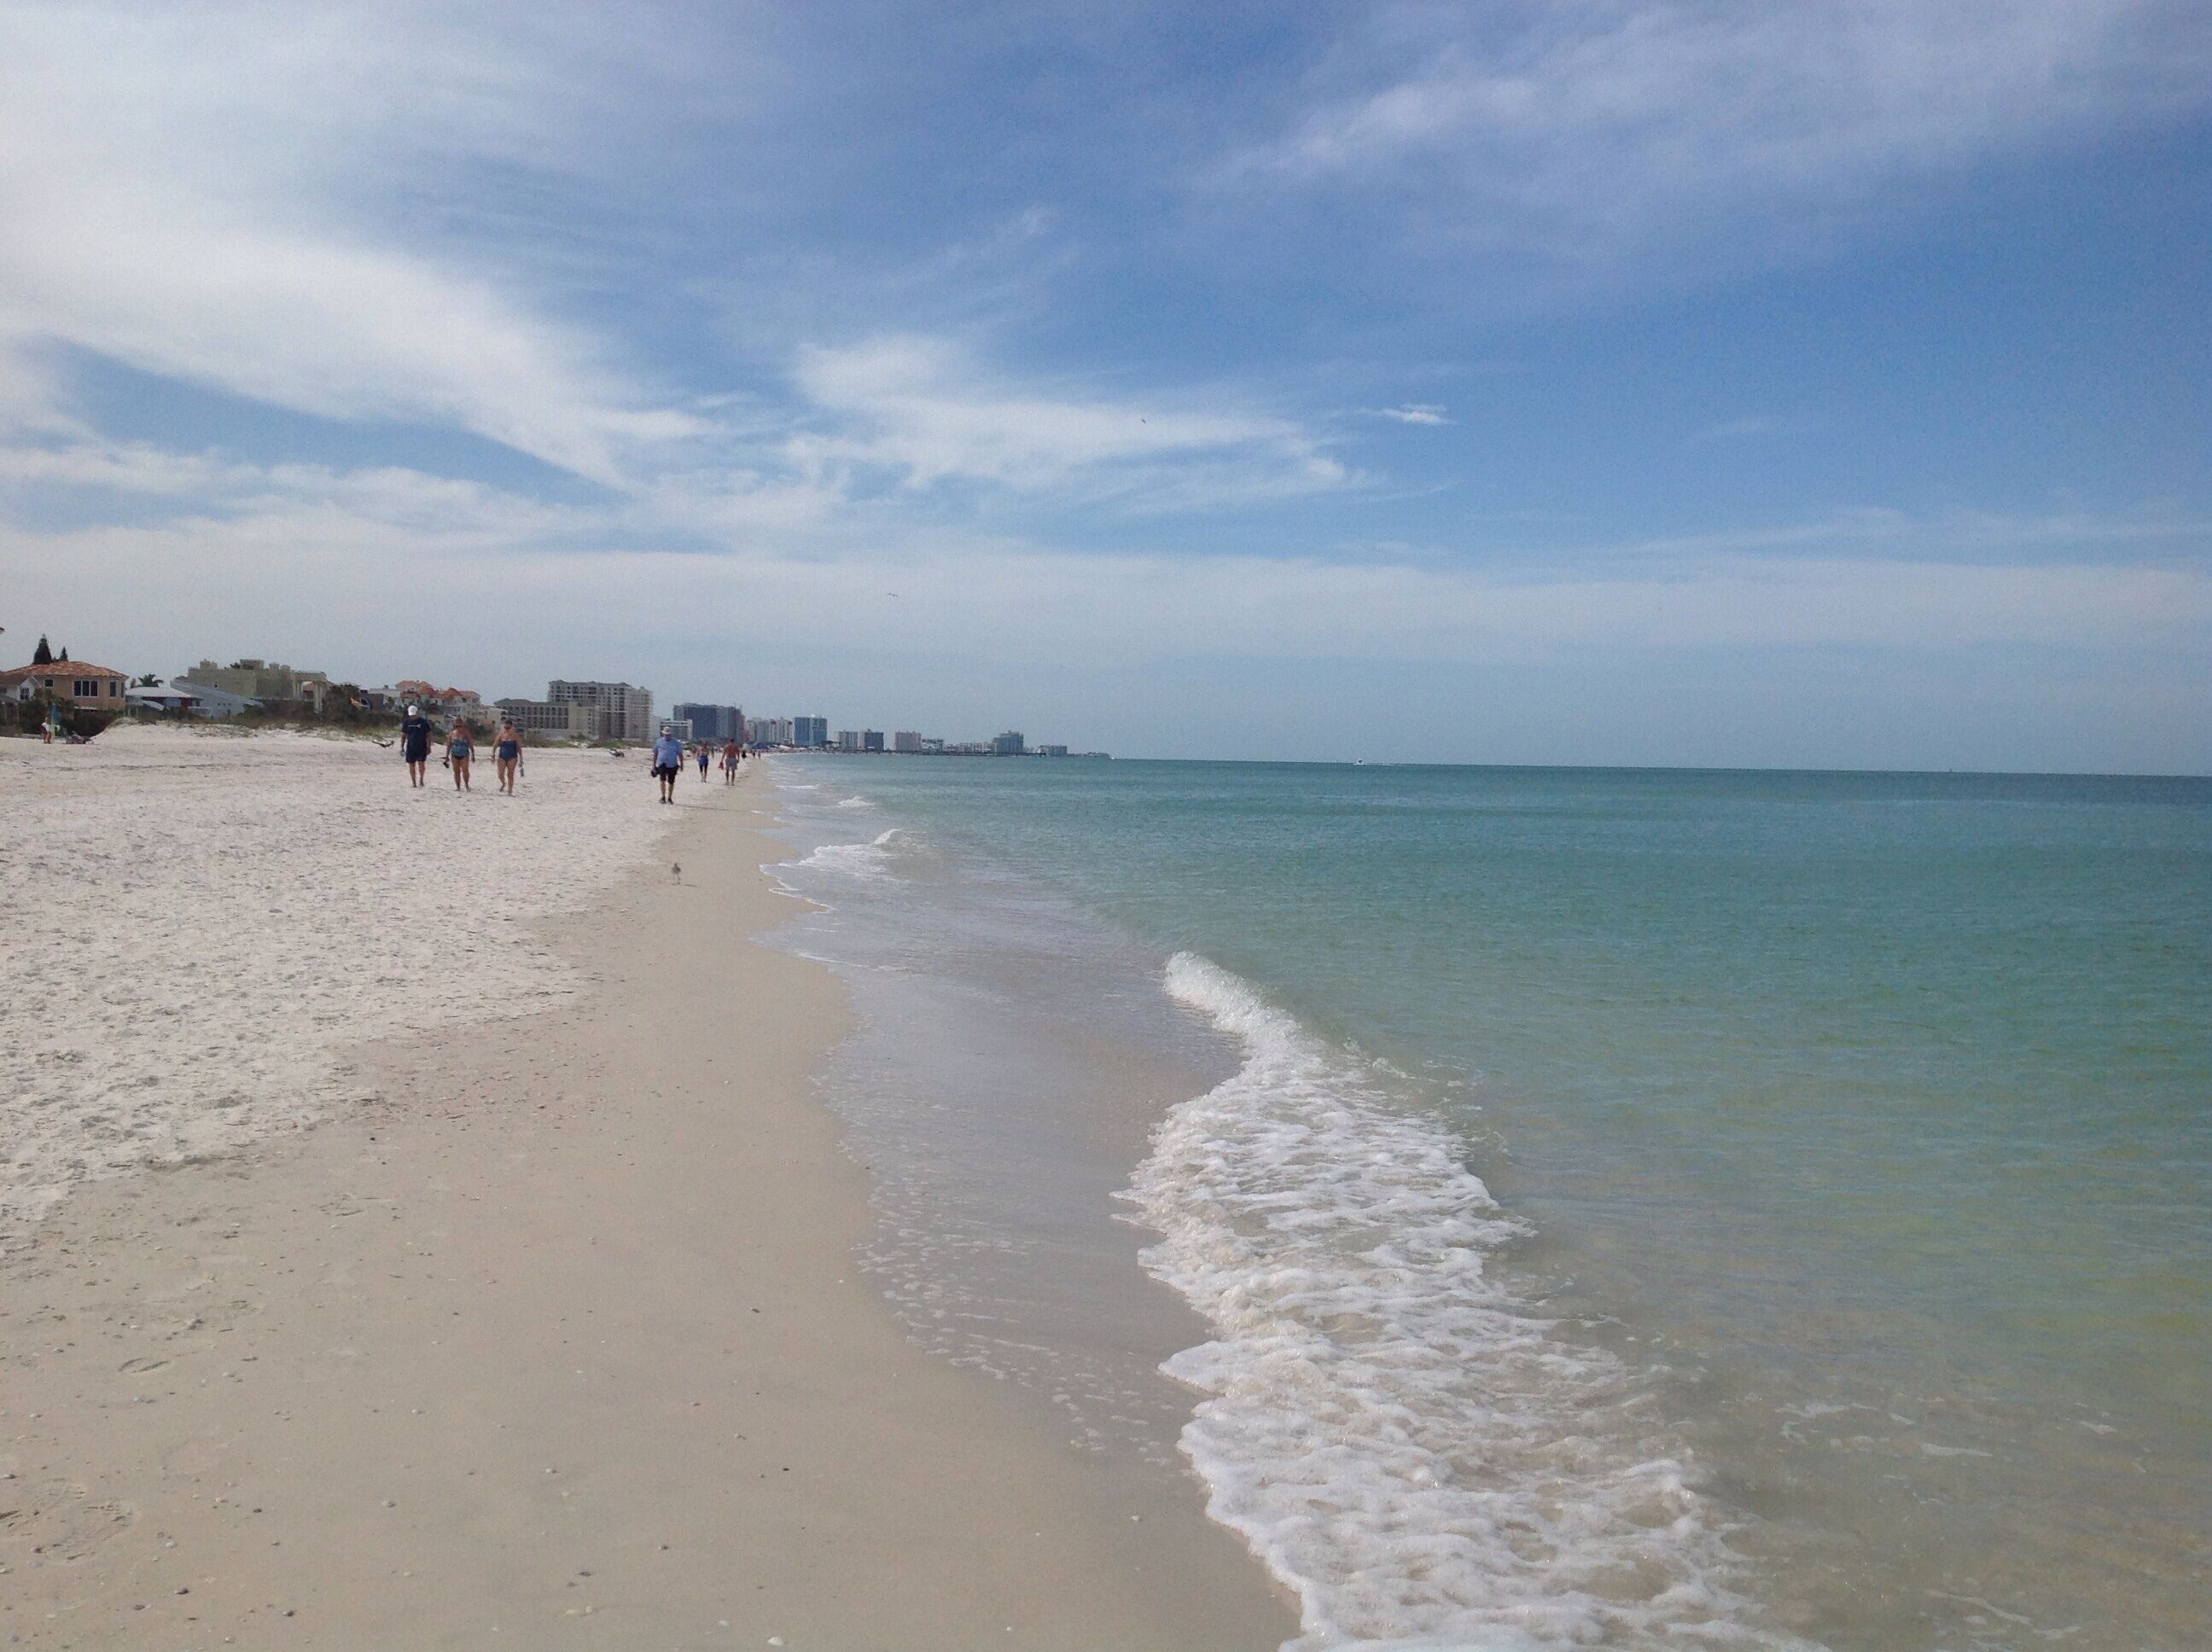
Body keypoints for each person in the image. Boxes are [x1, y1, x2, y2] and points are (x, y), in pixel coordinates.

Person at [400, 703, 433, 787]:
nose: (413, 717)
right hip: (410, 747)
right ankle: (414, 782)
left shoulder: (423, 722)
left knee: (421, 764)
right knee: (411, 765)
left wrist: (429, 746)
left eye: (414, 715)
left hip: (421, 746)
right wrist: (402, 747)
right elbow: (403, 735)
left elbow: (428, 734)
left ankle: (421, 779)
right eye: (411, 715)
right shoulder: (407, 722)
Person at [651, 724, 684, 803]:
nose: (667, 736)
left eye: (668, 734)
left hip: (673, 765)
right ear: (663, 734)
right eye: (665, 734)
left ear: (670, 734)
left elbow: (680, 754)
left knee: (671, 782)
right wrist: (653, 765)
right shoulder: (659, 741)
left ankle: (669, 798)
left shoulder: (676, 742)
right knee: (662, 780)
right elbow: (655, 753)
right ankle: (663, 797)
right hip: (662, 764)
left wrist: (682, 764)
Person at [494, 719, 524, 795]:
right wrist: (493, 754)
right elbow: (495, 745)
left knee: (510, 774)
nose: (507, 729)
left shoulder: (515, 736)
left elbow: (519, 748)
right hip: (502, 756)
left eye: (508, 728)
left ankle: (510, 790)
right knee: (500, 773)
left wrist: (521, 759)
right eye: (505, 727)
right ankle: (503, 783)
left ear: (512, 727)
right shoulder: (501, 734)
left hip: (512, 756)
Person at [446, 718, 475, 791]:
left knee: (465, 770)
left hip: (464, 754)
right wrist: (447, 756)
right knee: (456, 771)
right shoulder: (452, 733)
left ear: (463, 725)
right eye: (457, 726)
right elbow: (449, 745)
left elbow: (471, 744)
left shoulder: (466, 733)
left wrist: (473, 755)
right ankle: (458, 787)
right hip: (454, 754)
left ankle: (466, 785)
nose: (458, 728)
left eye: (460, 726)